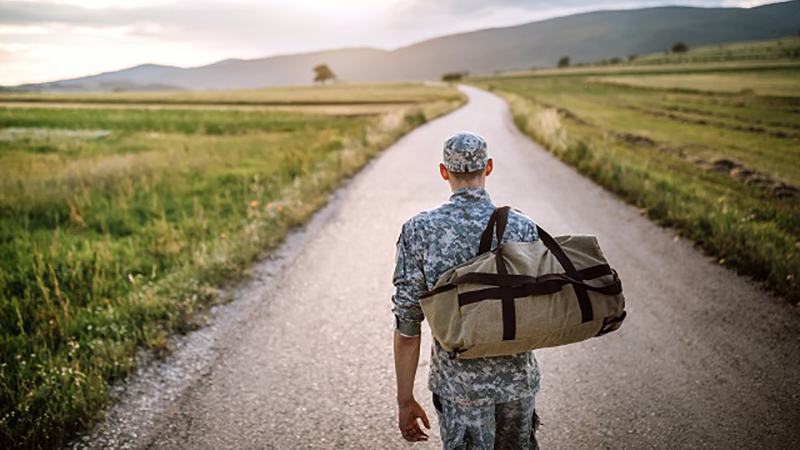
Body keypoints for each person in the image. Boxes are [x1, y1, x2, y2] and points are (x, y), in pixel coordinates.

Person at [391, 131, 541, 449]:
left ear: (444, 171)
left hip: (459, 389)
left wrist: (405, 399)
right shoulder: (522, 226)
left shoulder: (419, 231)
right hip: (517, 383)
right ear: (488, 167)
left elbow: (407, 327)